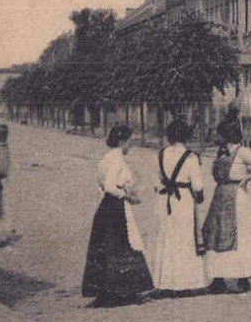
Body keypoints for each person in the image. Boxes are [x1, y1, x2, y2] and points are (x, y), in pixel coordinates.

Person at [81, 124, 155, 306]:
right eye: (129, 142)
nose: (130, 146)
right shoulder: (116, 159)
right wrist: (126, 196)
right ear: (122, 142)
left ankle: (114, 291)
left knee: (110, 247)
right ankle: (123, 291)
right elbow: (109, 186)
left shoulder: (106, 158)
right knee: (124, 245)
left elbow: (101, 183)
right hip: (116, 207)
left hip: (107, 207)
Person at [202, 118, 251, 293]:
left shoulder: (243, 152)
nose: (216, 136)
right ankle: (218, 278)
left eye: (219, 134)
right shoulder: (221, 152)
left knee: (240, 237)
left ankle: (243, 277)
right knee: (217, 235)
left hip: (237, 198)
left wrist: (247, 178)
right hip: (220, 196)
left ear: (226, 135)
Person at [148, 118, 208, 295]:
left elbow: (155, 182)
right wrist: (200, 197)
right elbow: (197, 186)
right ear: (187, 136)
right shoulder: (190, 157)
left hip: (164, 200)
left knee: (165, 240)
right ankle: (185, 282)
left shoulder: (160, 154)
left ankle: (164, 282)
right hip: (183, 202)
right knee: (184, 242)